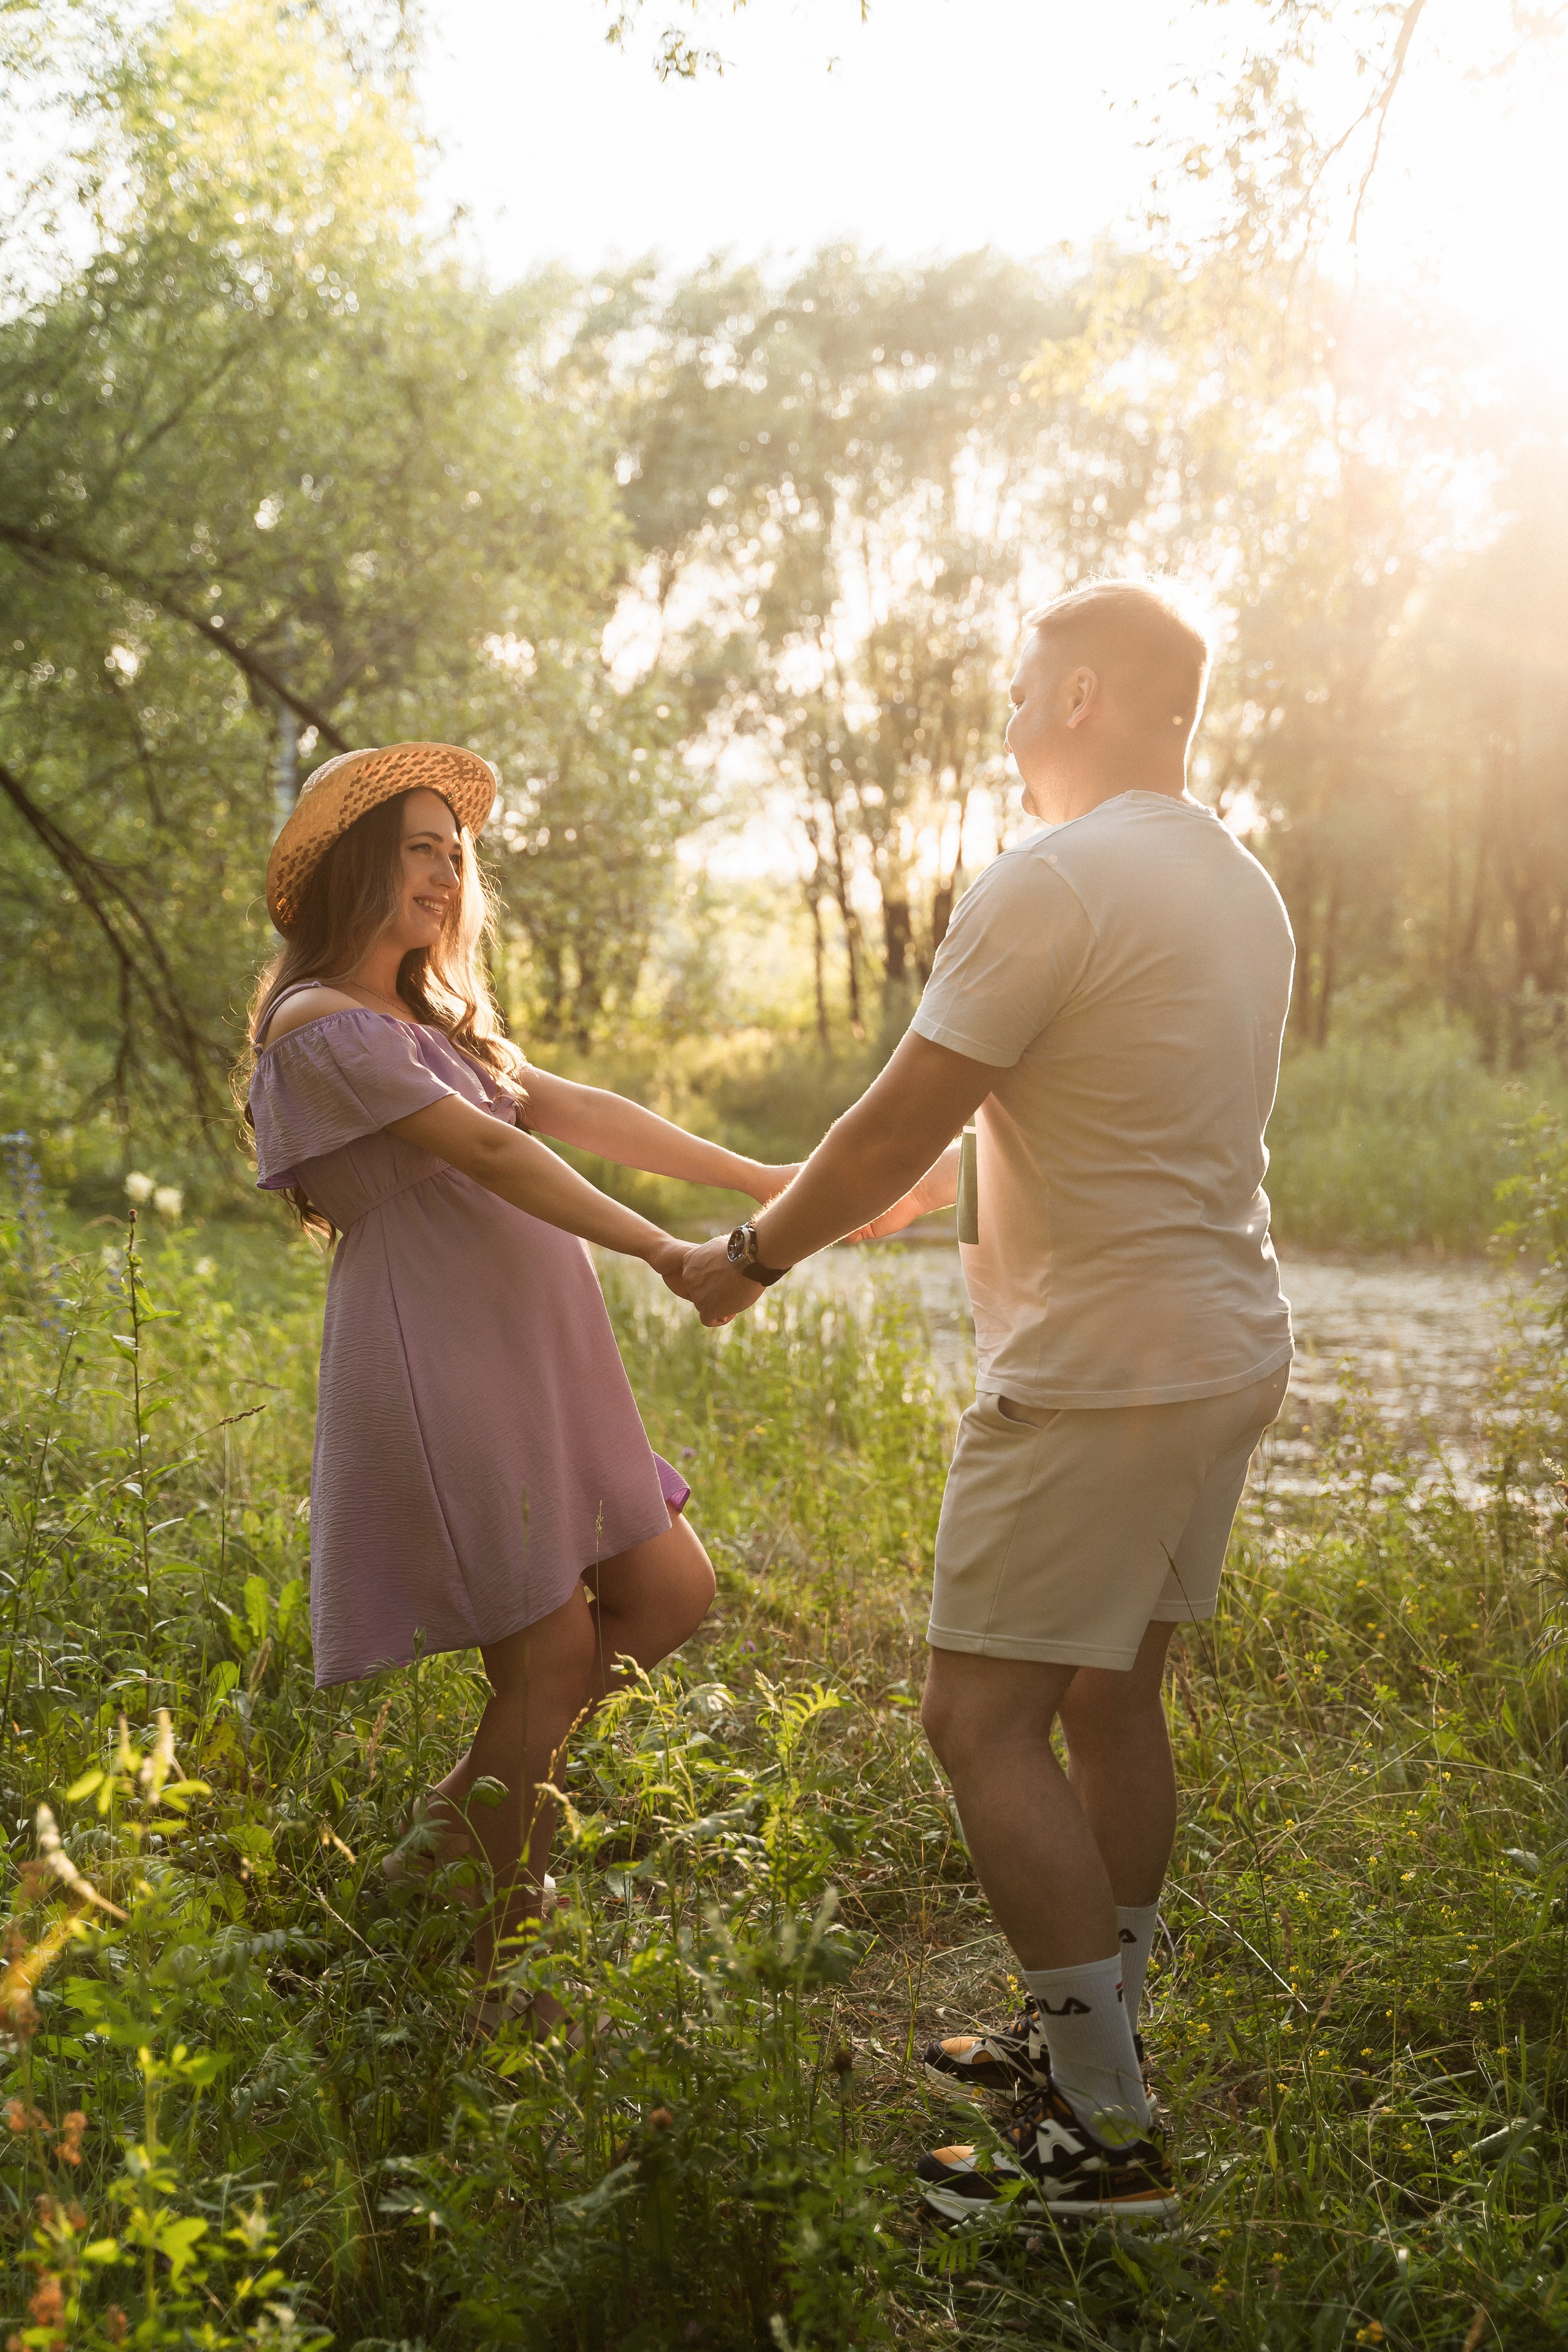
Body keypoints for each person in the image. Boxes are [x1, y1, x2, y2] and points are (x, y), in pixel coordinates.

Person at [685, 581, 1295, 2225]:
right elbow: (1078, 1116)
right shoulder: (1241, 884)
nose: (1013, 721)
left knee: (977, 1720)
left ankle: (1102, 2136)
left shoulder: (1051, 880)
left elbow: (898, 1126)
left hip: (1100, 1367)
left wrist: (748, 1255)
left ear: (1087, 694)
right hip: (1227, 1342)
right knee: (1110, 1702)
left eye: (1028, 692)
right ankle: (1092, 2040)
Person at [243, 740, 794, 2034]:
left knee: (666, 1589)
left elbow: (577, 1110)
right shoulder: (318, 1025)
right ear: (355, 870)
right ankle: (498, 1962)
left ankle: (435, 1857)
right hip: (444, 1364)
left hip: (537, 1360)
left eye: (454, 849)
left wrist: (773, 1183)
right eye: (416, 846)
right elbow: (489, 1151)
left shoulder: (435, 1026)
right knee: (545, 1661)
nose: (443, 870)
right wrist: (664, 1249)